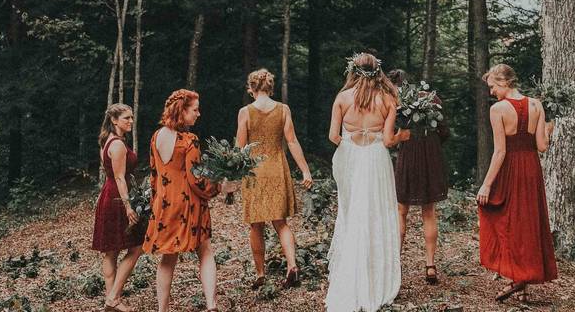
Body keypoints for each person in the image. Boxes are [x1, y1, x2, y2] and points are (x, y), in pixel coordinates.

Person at [325, 52, 408, 312]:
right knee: (376, 214)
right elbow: (387, 140)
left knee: (351, 214)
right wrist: (403, 135)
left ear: (353, 70)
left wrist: (350, 144)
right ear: (377, 71)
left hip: (348, 157)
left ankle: (350, 272)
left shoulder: (342, 98)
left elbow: (332, 137)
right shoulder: (388, 98)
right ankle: (375, 279)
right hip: (375, 159)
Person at [143, 90, 236, 312]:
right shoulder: (189, 140)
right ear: (181, 110)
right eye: (194, 109)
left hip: (164, 205)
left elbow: (154, 175)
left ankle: (162, 310)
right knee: (205, 251)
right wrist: (220, 187)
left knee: (168, 258)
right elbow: (196, 180)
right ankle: (212, 306)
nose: (198, 114)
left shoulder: (156, 136)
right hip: (188, 205)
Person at [476, 64, 558, 302]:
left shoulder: (499, 109)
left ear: (503, 82)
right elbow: (542, 147)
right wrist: (549, 129)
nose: (491, 92)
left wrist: (486, 185)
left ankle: (517, 278)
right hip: (531, 169)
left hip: (510, 168)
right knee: (528, 221)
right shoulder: (537, 105)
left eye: (492, 86)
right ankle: (521, 284)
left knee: (506, 220)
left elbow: (500, 152)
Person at [235, 68, 313, 289]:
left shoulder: (245, 112)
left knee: (255, 225)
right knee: (281, 223)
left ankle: (260, 273)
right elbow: (292, 141)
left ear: (251, 88)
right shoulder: (283, 109)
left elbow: (240, 149)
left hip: (254, 173)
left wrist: (229, 180)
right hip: (277, 169)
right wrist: (305, 170)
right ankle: (292, 266)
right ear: (270, 87)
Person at [386, 69, 449, 284]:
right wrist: (430, 143)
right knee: (429, 211)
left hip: (409, 156)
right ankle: (430, 265)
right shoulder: (432, 98)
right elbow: (445, 131)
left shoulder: (396, 103)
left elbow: (390, 133)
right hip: (431, 155)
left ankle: (395, 262)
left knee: (401, 211)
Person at [91, 103, 144, 312]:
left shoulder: (107, 141)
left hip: (109, 195)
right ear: (114, 120)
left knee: (111, 252)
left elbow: (111, 176)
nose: (131, 121)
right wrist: (128, 207)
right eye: (126, 118)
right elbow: (120, 178)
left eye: (131, 118)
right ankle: (113, 297)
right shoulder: (118, 145)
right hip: (118, 198)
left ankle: (112, 299)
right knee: (136, 246)